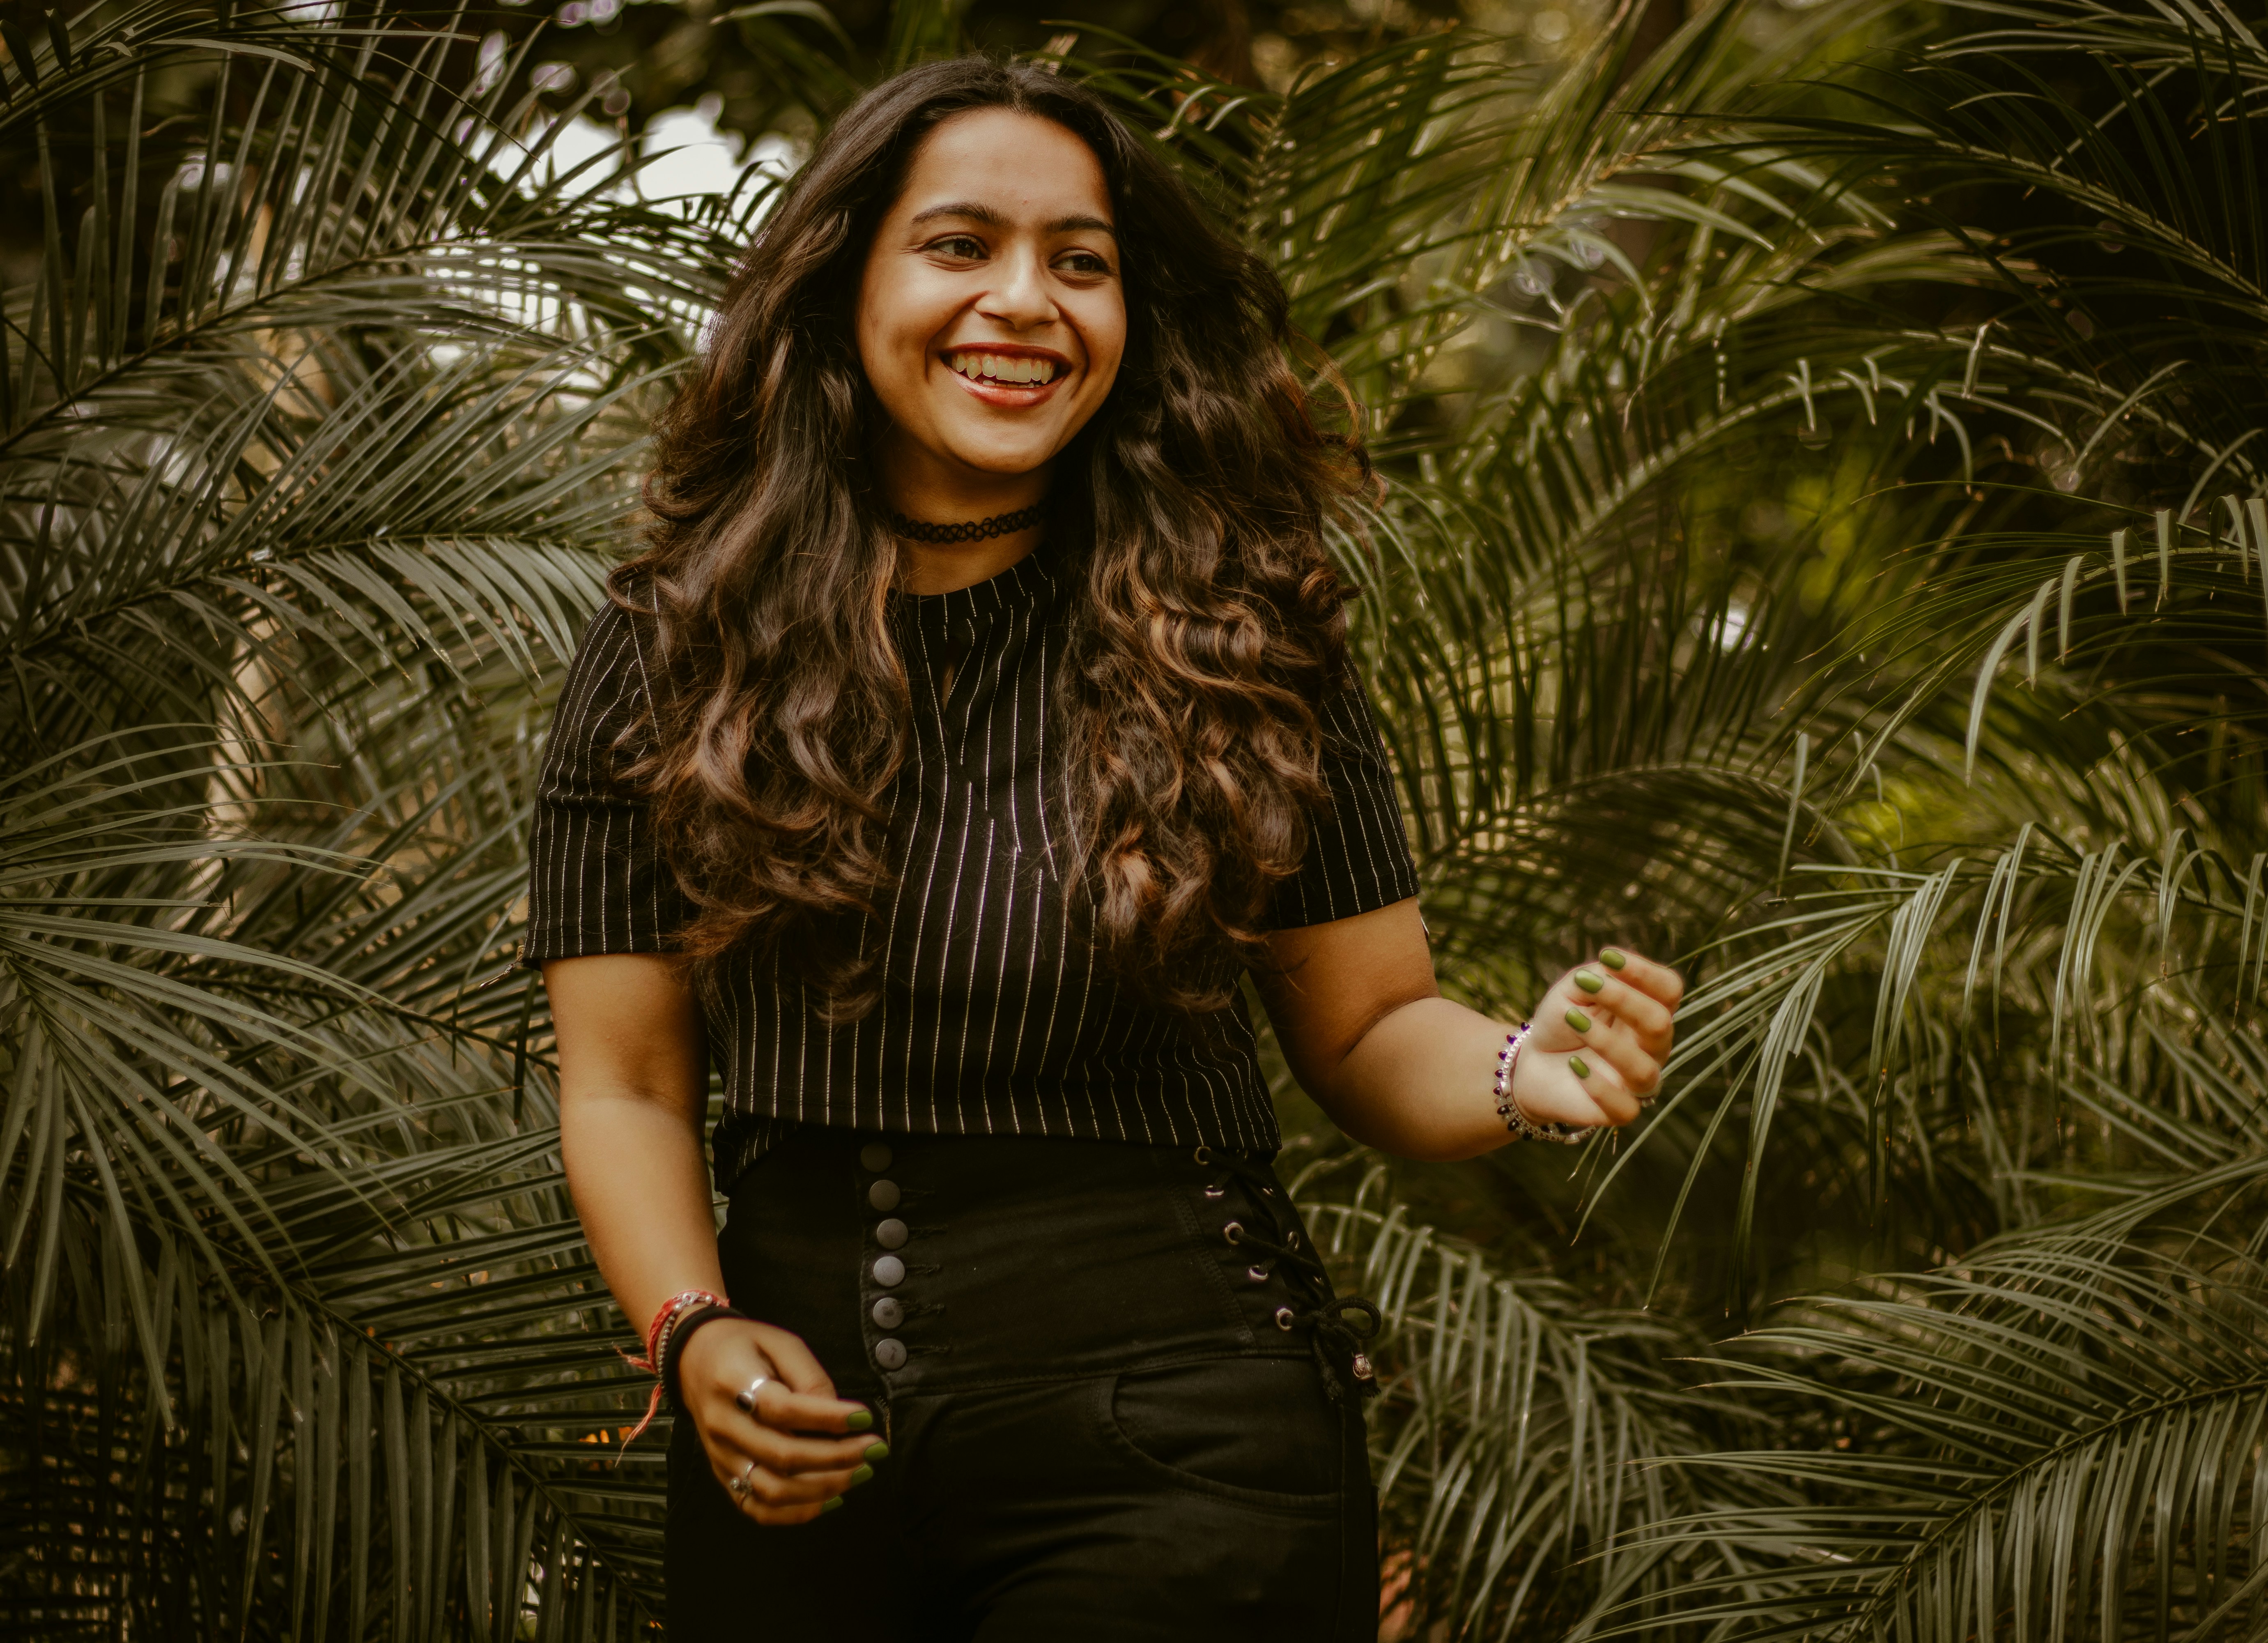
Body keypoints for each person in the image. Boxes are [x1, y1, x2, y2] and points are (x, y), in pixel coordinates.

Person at [527, 54, 1681, 1642]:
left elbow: (1364, 1030)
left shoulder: (1238, 637)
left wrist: (1518, 1072)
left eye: (1082, 262)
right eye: (959, 247)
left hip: (1186, 1449)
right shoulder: (673, 649)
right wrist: (693, 1332)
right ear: (841, 288)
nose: (1026, 302)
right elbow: (627, 1084)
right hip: (794, 1469)